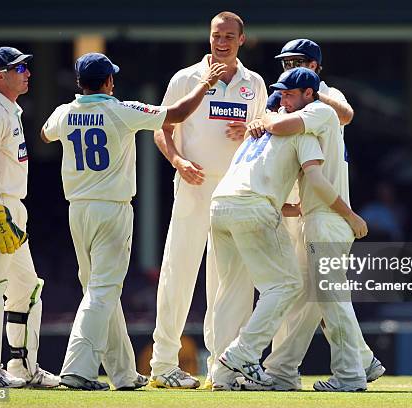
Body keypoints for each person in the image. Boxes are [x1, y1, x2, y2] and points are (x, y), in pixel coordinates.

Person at [41, 53, 226, 391]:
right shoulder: (120, 109)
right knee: (102, 290)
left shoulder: (64, 112)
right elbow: (178, 114)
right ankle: (76, 369)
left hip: (77, 209)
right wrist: (205, 84)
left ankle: (124, 373)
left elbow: (44, 134)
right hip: (112, 209)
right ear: (109, 82)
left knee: (98, 290)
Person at [211, 68, 366, 391]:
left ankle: (228, 371)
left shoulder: (302, 118)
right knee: (295, 290)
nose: (283, 98)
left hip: (230, 206)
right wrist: (347, 215)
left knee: (241, 291)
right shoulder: (295, 128)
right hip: (272, 211)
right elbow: (312, 179)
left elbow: (307, 177)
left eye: (289, 93)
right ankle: (253, 360)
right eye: (280, 93)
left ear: (309, 94)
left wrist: (263, 118)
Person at [151, 11, 267, 389]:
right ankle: (163, 363)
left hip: (235, 191)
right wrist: (179, 161)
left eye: (230, 36)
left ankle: (224, 369)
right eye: (217, 35)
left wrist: (250, 130)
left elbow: (267, 134)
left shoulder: (255, 83)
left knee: (230, 280)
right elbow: (162, 129)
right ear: (209, 36)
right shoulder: (186, 78)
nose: (222, 42)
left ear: (242, 39)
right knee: (178, 272)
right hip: (194, 185)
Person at [260, 38, 384, 390]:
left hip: (325, 211)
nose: (288, 68)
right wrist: (288, 99)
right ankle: (283, 370)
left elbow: (345, 115)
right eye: (285, 63)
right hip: (309, 212)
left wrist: (307, 94)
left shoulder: (319, 103)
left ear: (314, 66)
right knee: (306, 297)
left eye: (297, 62)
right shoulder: (287, 99)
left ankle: (352, 371)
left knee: (330, 298)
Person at [0, 46, 60, 388]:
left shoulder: (9, 111)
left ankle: (22, 368)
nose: (28, 73)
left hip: (11, 207)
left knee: (27, 288)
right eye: (19, 69)